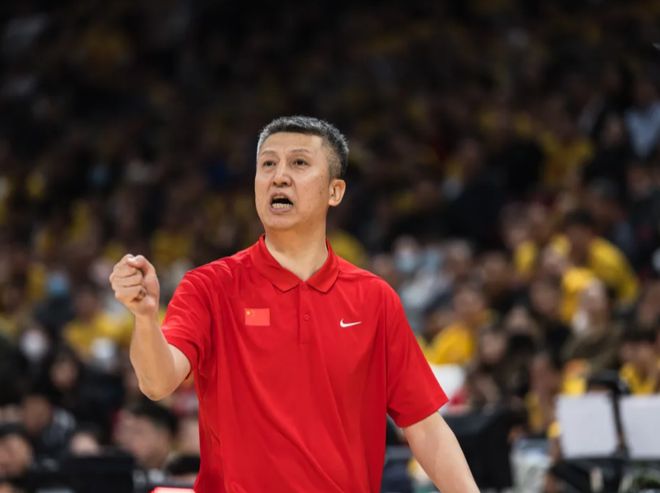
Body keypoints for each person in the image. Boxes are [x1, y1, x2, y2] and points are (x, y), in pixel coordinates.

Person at [109, 116, 479, 492]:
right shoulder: (210, 286)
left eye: (299, 163)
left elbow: (425, 428)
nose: (279, 176)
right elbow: (157, 383)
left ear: (335, 191)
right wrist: (144, 317)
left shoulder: (374, 299)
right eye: (268, 164)